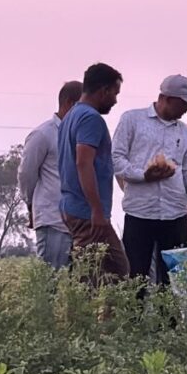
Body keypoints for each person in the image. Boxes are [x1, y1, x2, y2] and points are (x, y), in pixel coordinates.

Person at [112, 74, 187, 288]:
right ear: (167, 98)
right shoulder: (132, 120)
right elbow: (116, 159)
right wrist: (143, 175)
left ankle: (169, 322)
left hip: (175, 214)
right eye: (184, 103)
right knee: (136, 277)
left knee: (174, 280)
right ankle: (135, 320)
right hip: (139, 212)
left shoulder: (184, 132)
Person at [58, 62, 129, 283]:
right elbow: (83, 162)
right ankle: (87, 317)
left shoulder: (70, 116)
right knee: (115, 272)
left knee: (100, 274)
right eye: (114, 93)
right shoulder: (90, 118)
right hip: (87, 211)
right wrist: (97, 210)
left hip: (74, 206)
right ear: (103, 91)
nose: (116, 100)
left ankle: (99, 316)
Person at [17, 81, 82, 269]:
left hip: (79, 223)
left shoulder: (81, 135)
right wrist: (31, 205)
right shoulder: (43, 134)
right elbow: (26, 174)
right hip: (53, 219)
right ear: (70, 103)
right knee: (50, 282)